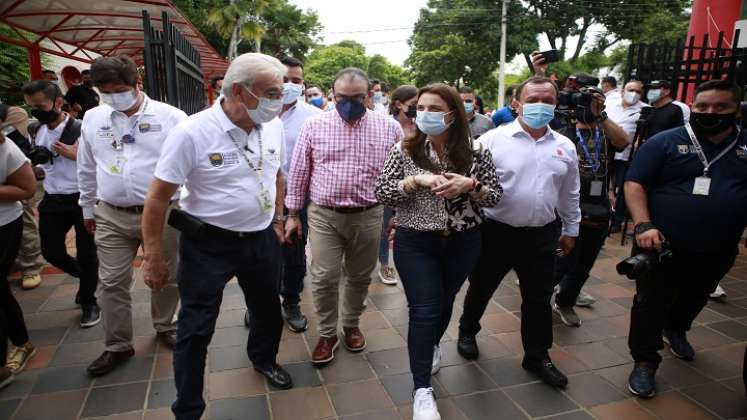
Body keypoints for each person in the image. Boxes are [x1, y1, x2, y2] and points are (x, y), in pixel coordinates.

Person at [143, 53, 292, 420]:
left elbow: (277, 176)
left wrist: (278, 218)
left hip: (260, 240)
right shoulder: (192, 132)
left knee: (268, 310)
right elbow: (158, 197)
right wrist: (153, 255)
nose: (280, 99)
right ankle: (189, 408)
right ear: (239, 91)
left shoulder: (272, 125)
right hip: (208, 244)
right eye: (272, 91)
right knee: (195, 329)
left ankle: (263, 359)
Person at [375, 83, 502, 420]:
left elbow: (495, 197)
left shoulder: (477, 152)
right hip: (416, 241)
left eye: (435, 108)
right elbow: (383, 192)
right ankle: (421, 391)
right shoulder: (404, 149)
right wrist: (413, 182)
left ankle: (431, 345)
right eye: (421, 108)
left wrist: (470, 185)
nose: (426, 115)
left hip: (464, 241)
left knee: (445, 301)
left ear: (452, 114)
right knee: (424, 309)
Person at [624, 80, 746, 398]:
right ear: (692, 106)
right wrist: (642, 225)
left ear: (736, 109)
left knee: (696, 295)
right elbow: (635, 183)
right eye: (703, 106)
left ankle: (677, 327)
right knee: (650, 302)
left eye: (720, 107)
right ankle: (645, 362)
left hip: (718, 246)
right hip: (659, 243)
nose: (710, 112)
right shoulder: (665, 142)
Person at [458, 76, 581, 389]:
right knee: (482, 287)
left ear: (556, 105)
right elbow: (470, 186)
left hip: (542, 235)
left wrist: (571, 227)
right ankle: (468, 329)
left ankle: (537, 355)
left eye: (548, 100)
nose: (540, 106)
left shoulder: (565, 146)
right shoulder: (493, 140)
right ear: (516, 103)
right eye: (533, 99)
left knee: (538, 298)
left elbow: (570, 192)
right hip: (496, 233)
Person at [285, 67, 403, 365]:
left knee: (360, 276)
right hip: (325, 215)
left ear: (369, 95)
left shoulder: (389, 128)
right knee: (324, 276)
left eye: (357, 97)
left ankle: (351, 325)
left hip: (369, 214)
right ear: (332, 95)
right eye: (342, 97)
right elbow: (299, 172)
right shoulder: (314, 126)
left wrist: (398, 212)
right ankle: (327, 333)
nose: (349, 103)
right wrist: (292, 213)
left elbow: (401, 172)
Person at [78, 55, 185, 377]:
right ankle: (117, 345)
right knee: (110, 282)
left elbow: (190, 167)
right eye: (105, 91)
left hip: (164, 213)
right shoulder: (94, 118)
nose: (113, 97)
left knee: (166, 276)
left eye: (120, 90)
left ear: (138, 84)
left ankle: (166, 324)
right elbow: (86, 165)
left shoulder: (172, 118)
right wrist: (86, 206)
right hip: (111, 212)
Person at [243, 56, 322, 332]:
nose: (289, 85)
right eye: (284, 79)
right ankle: (257, 305)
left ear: (303, 85)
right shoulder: (251, 111)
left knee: (294, 253)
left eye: (296, 81)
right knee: (256, 255)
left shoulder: (314, 118)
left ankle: (291, 301)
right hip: (256, 196)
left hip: (296, 197)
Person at [22, 80, 100, 328]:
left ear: (58, 102)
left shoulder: (81, 128)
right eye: (30, 107)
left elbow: (102, 163)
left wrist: (76, 155)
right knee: (51, 251)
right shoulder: (36, 129)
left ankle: (89, 300)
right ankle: (88, 278)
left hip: (82, 198)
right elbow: (41, 161)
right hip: (53, 199)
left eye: (40, 106)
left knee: (88, 254)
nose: (36, 111)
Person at [0, 134, 38, 389]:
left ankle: (16, 349)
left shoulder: (6, 148)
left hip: (3, 225)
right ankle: (21, 341)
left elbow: (26, 188)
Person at [376, 84, 419, 286]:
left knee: (398, 227)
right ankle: (384, 263)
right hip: (388, 184)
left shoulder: (420, 125)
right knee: (384, 226)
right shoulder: (386, 125)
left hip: (414, 187)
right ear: (398, 104)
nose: (417, 108)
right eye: (414, 104)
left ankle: (394, 264)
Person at [1, 106, 45, 290]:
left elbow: (26, 188)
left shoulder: (14, 114)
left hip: (11, 202)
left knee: (26, 224)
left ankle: (31, 266)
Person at [607, 80, 648, 234]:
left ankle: (617, 221)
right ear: (623, 91)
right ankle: (605, 214)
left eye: (637, 91)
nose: (633, 94)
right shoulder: (610, 105)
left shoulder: (645, 110)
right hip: (606, 152)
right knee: (604, 185)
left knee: (624, 187)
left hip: (627, 155)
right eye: (630, 90)